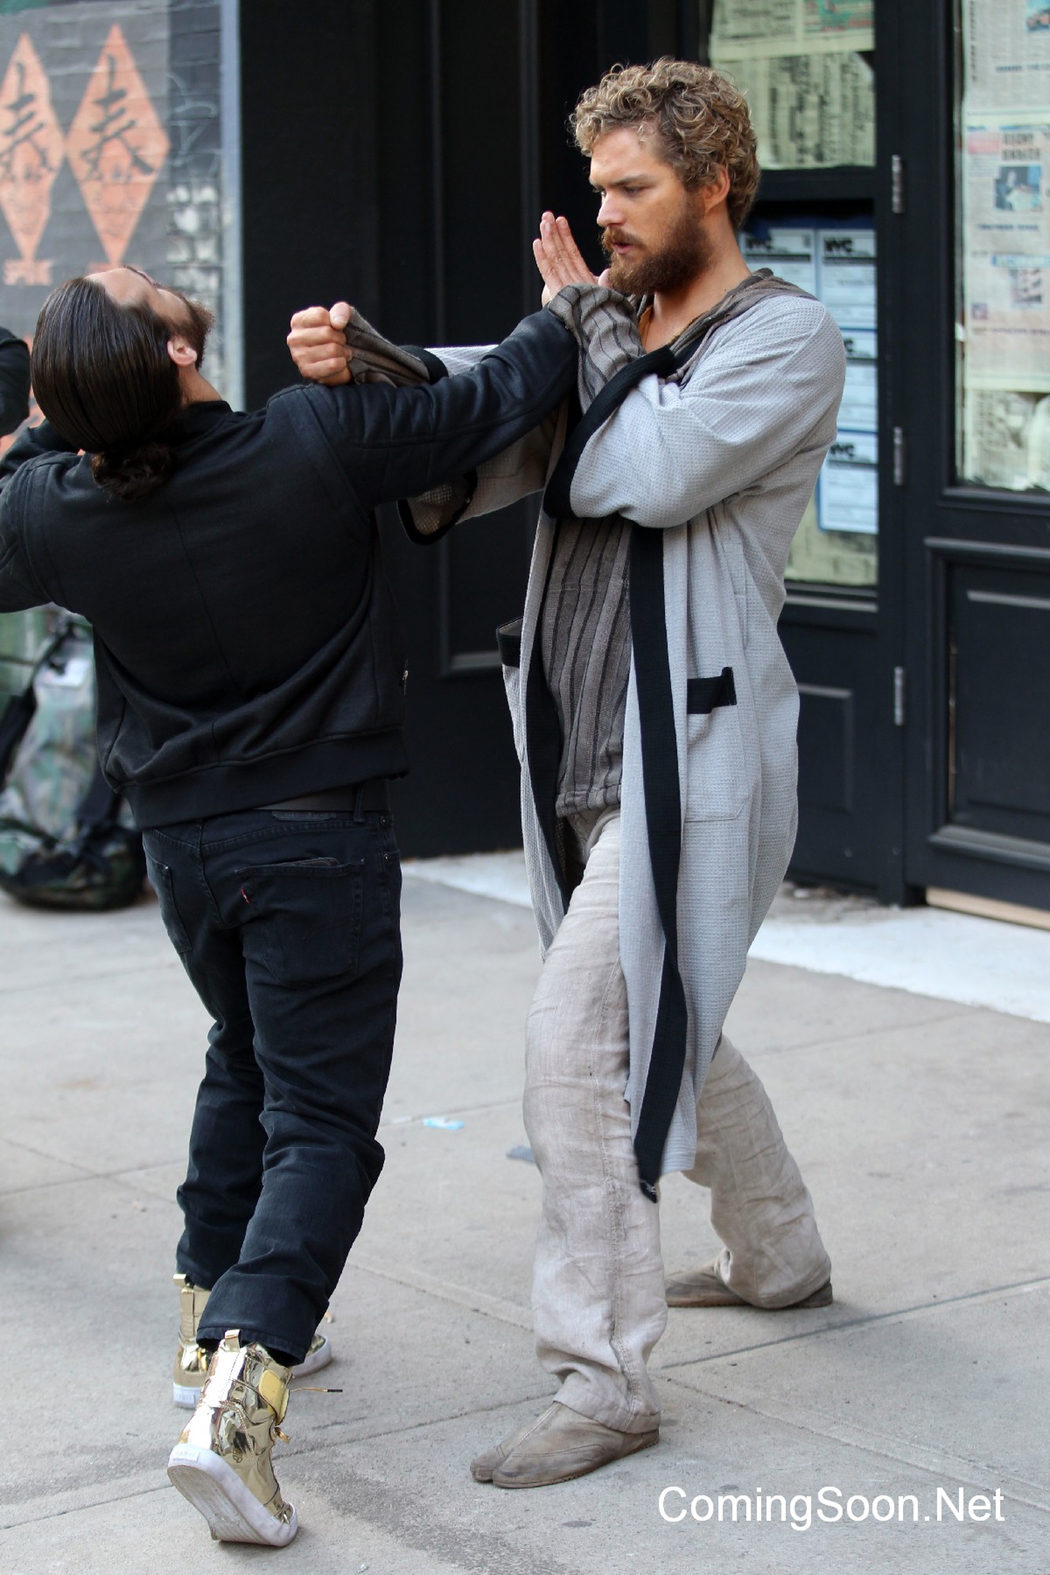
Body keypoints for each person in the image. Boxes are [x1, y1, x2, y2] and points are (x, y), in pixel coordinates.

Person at [288, 58, 845, 1491]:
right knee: (668, 1010)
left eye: (630, 188)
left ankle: (600, 1375)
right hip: (579, 742)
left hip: (692, 747)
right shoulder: (609, 318)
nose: (602, 216)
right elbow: (498, 411)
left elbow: (644, 464)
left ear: (715, 184)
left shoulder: (785, 338)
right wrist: (379, 363)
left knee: (574, 1043)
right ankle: (778, 1253)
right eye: (594, 187)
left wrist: (570, 329)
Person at [0, 264, 582, 1544]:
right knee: (322, 1125)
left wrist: (52, 421)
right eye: (140, 286)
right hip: (317, 839)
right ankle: (238, 1397)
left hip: (187, 855)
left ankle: (206, 1313)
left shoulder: (54, 511)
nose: (147, 267)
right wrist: (569, 300)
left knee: (245, 1056)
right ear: (174, 352)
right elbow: (503, 399)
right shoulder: (312, 440)